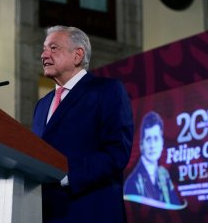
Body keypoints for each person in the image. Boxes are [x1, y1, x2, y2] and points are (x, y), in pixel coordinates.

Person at [32, 25, 134, 223]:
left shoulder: (107, 91)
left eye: (53, 48)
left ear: (77, 55)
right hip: (45, 213)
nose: (44, 55)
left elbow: (117, 151)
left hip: (91, 211)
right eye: (44, 49)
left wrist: (66, 174)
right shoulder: (42, 105)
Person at [124, 111, 181, 207]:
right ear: (141, 144)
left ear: (162, 142)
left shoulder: (164, 175)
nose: (152, 145)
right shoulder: (133, 182)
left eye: (156, 138)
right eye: (148, 139)